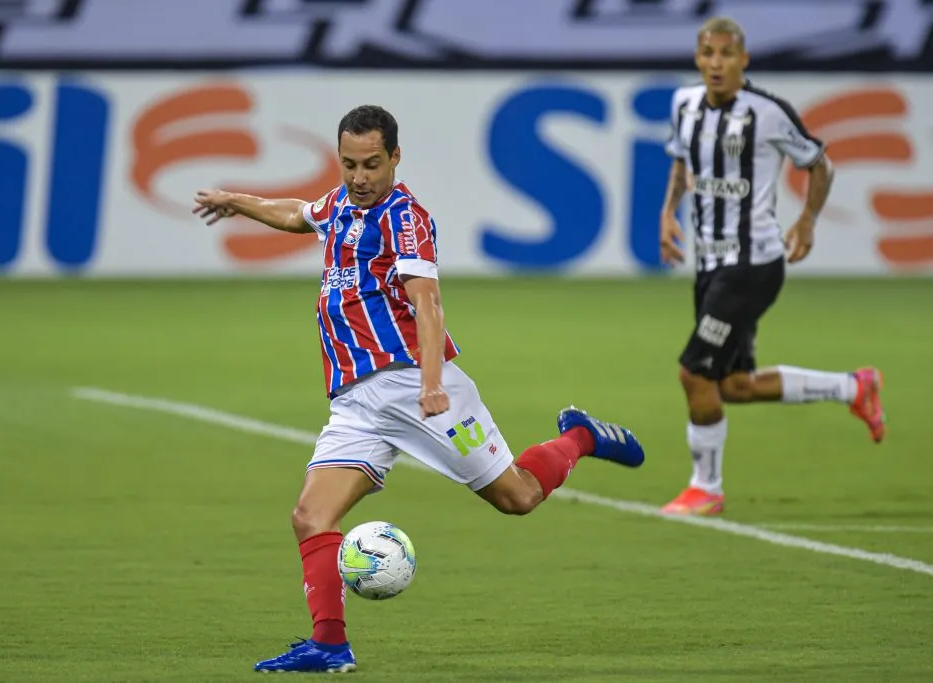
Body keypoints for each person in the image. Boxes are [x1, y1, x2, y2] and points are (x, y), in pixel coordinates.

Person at [192, 104, 646, 673]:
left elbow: (427, 303)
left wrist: (432, 383)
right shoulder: (339, 204)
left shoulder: (404, 218)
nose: (359, 177)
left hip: (416, 387)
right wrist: (237, 201)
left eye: (372, 164)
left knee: (518, 497)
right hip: (356, 403)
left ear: (395, 158)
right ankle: (330, 646)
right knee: (310, 517)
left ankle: (579, 437)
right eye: (349, 164)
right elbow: (297, 214)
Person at [658, 17, 885, 517]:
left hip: (753, 264)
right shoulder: (683, 104)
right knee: (734, 386)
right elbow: (681, 162)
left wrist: (807, 220)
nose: (716, 63)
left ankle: (706, 488)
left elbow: (820, 162)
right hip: (710, 264)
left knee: (694, 373)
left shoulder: (768, 113)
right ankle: (855, 387)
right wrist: (667, 213)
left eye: (726, 54)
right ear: (698, 59)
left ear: (744, 60)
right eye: (707, 53)